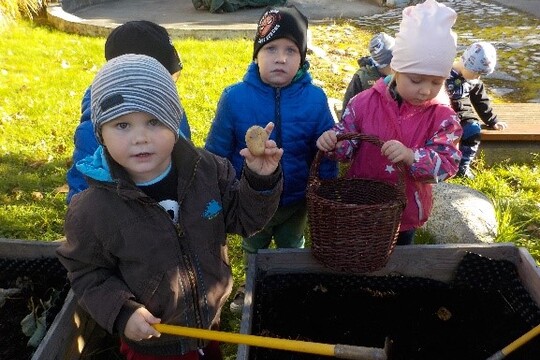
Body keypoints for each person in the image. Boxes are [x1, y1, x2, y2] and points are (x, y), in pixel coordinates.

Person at [56, 54, 284, 359]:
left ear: (174, 121)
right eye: (122, 124)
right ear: (101, 133)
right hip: (151, 339)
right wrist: (123, 313)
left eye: (154, 121)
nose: (140, 138)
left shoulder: (208, 171)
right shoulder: (92, 210)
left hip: (207, 325)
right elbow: (87, 273)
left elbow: (245, 220)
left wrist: (259, 179)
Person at [204, 5, 338, 313]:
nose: (281, 58)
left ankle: (291, 286)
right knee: (253, 246)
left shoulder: (315, 99)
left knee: (293, 246)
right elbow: (216, 152)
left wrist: (327, 189)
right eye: (271, 49)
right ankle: (252, 284)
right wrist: (216, 191)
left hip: (295, 200)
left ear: (302, 58)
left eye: (291, 50)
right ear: (256, 55)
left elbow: (325, 153)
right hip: (250, 197)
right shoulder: (234, 98)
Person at [316, 0, 463, 246]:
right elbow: (347, 142)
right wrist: (333, 142)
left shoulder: (443, 116)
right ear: (396, 68)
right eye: (416, 80)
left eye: (436, 82)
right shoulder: (363, 102)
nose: (426, 90)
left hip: (404, 210)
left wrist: (411, 157)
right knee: (359, 251)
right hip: (362, 202)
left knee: (400, 259)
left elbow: (447, 163)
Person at [66, 20, 192, 203]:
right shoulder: (92, 132)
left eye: (155, 121)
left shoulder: (167, 105)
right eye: (123, 125)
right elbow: (82, 188)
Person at [446, 41, 508, 178]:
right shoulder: (443, 74)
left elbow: (481, 101)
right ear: (467, 62)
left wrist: (492, 120)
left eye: (481, 74)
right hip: (442, 114)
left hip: (463, 116)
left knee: (473, 130)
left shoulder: (474, 81)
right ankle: (442, 164)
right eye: (477, 72)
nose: (478, 77)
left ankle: (462, 166)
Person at [342, 32, 395, 111]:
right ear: (383, 63)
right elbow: (348, 108)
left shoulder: (402, 75)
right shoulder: (361, 78)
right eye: (393, 62)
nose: (398, 67)